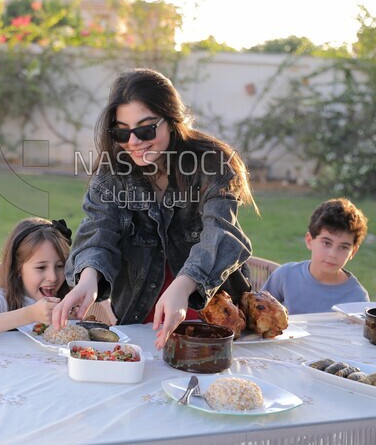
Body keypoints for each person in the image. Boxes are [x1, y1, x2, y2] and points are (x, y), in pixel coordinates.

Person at [51, 67, 255, 350]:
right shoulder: (111, 175)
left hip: (212, 316)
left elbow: (222, 234)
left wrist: (184, 286)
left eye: (146, 129)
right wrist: (88, 280)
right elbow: (98, 230)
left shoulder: (212, 164)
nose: (134, 142)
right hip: (138, 319)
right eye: (122, 132)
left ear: (171, 121)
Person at [0, 217, 73, 342]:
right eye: (41, 267)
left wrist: (73, 318)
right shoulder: (3, 300)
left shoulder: (70, 298)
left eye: (60, 266)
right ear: (18, 268)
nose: (53, 277)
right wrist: (30, 314)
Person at [261, 198, 369, 314]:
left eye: (343, 247)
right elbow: (257, 313)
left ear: (353, 252)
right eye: (326, 243)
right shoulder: (284, 276)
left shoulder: (357, 298)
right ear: (309, 240)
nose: (333, 254)